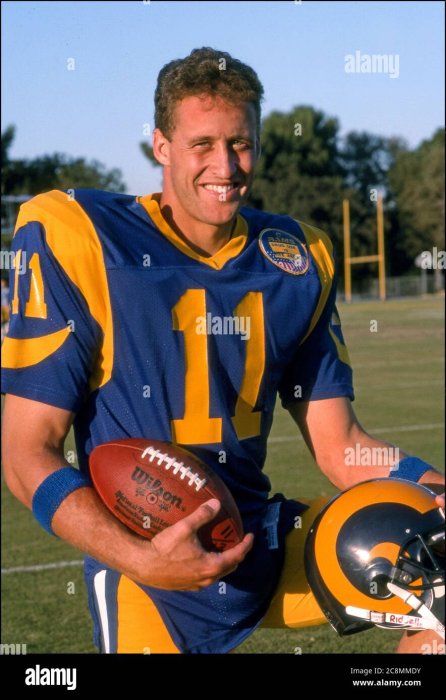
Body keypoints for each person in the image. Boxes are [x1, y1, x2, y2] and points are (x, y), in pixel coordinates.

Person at [1, 47, 444, 655]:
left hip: (255, 536)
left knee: (432, 554)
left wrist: (435, 488)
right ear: (160, 146)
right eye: (202, 143)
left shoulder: (293, 260)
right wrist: (144, 559)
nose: (226, 165)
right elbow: (26, 455)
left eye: (240, 143)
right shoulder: (81, 238)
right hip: (146, 560)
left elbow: (344, 447)